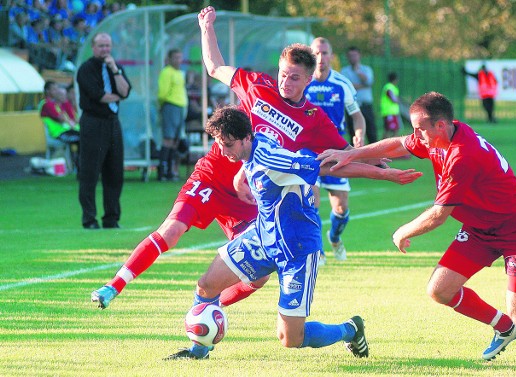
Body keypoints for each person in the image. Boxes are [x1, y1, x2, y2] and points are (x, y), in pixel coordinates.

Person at [89, 7, 376, 341]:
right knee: (172, 230)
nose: (285, 80)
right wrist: (206, 27)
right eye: (283, 73)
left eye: (294, 76)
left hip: (251, 192)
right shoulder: (257, 84)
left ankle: (210, 312)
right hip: (212, 175)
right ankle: (115, 286)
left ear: (307, 80)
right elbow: (213, 66)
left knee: (258, 279)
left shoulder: (313, 119)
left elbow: (343, 155)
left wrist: (383, 160)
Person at [318, 92, 516, 369]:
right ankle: (505, 329)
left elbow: (438, 215)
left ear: (440, 125)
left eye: (419, 129)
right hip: (479, 229)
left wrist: (403, 232)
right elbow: (398, 145)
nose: (415, 135)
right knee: (440, 290)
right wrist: (351, 152)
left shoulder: (462, 155)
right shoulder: (439, 135)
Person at [165, 105, 420, 360]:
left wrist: (384, 174)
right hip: (263, 238)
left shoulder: (273, 160)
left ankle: (351, 330)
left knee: (291, 338)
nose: (223, 151)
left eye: (228, 145)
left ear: (246, 138)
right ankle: (198, 352)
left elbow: (328, 167)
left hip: (297, 249)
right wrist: (241, 174)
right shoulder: (255, 142)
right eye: (219, 144)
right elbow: (259, 150)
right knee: (207, 285)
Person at [305, 37, 367, 263]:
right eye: (316, 53)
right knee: (311, 198)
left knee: (341, 209)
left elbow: (357, 116)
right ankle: (317, 249)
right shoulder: (301, 82)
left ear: (331, 56)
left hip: (336, 150)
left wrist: (358, 133)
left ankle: (334, 238)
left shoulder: (342, 84)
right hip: (308, 151)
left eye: (324, 53)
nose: (320, 58)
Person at [76, 32, 130, 229]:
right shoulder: (86, 69)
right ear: (93, 47)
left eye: (107, 46)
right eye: (101, 46)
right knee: (90, 173)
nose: (105, 49)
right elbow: (99, 96)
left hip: (113, 122)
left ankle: (111, 218)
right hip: (93, 122)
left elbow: (125, 91)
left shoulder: (115, 67)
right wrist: (117, 96)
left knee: (115, 172)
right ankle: (89, 219)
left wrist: (114, 70)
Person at [157, 48, 187, 181]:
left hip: (180, 106)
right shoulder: (166, 72)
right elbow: (162, 93)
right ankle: (162, 171)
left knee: (175, 139)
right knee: (168, 138)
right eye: (175, 57)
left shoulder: (180, 73)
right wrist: (163, 106)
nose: (178, 60)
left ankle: (170, 171)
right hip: (170, 105)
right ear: (169, 59)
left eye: (180, 57)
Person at [341, 46, 378, 144]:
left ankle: (374, 156)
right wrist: (363, 86)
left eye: (355, 55)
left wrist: (358, 72)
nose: (353, 57)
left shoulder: (366, 69)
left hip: (366, 106)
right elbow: (347, 87)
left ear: (359, 55)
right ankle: (356, 157)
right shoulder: (344, 71)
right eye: (350, 56)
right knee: (354, 134)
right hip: (352, 106)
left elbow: (369, 81)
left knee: (371, 132)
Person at [39, 80, 80, 168]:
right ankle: (78, 167)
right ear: (47, 91)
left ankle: (77, 166)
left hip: (65, 131)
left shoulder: (55, 104)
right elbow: (61, 119)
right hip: (58, 134)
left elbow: (69, 118)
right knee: (82, 140)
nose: (56, 91)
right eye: (54, 89)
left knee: (84, 138)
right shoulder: (47, 104)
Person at [380, 72, 402, 139]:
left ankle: (387, 145)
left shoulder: (393, 87)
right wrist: (398, 101)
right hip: (389, 112)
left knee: (390, 129)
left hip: (393, 112)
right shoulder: (389, 87)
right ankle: (387, 145)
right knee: (391, 130)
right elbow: (392, 98)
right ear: (395, 79)